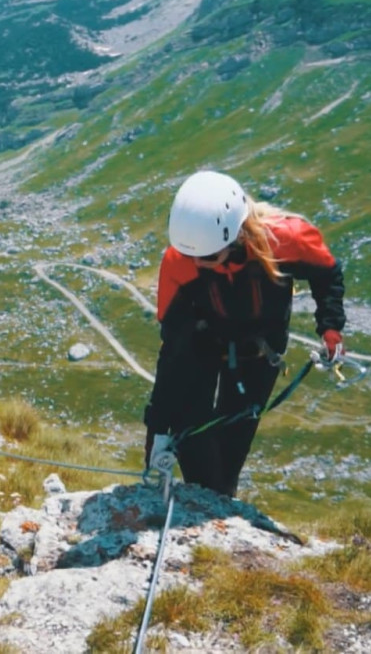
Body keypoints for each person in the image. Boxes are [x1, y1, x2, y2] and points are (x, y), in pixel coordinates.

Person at [143, 170, 346, 497]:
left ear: (236, 236)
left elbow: (327, 273)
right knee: (190, 436)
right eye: (192, 254)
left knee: (233, 443)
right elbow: (173, 348)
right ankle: (210, 500)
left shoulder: (285, 239)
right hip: (201, 346)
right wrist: (157, 427)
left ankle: (220, 502)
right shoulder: (181, 261)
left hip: (257, 353)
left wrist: (331, 327)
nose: (199, 263)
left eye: (208, 257)